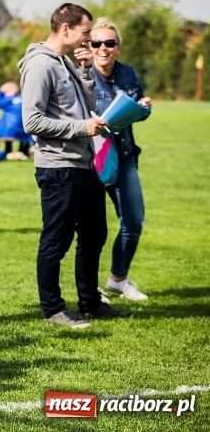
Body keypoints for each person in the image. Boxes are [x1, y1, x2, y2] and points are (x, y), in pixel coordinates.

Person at [19, 3, 130, 329]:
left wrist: (84, 72)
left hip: (83, 163)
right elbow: (32, 120)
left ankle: (90, 302)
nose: (89, 39)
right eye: (85, 32)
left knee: (95, 233)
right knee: (57, 238)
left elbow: (79, 106)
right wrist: (82, 128)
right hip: (59, 166)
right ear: (65, 29)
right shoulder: (40, 65)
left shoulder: (65, 62)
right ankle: (53, 309)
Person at [90, 17, 152, 301]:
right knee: (91, 228)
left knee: (134, 221)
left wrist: (143, 108)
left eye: (109, 43)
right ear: (89, 46)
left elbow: (137, 111)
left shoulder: (128, 73)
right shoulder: (82, 76)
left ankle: (118, 279)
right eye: (97, 42)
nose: (103, 48)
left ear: (118, 47)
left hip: (125, 156)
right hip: (93, 161)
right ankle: (90, 290)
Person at [0, 82, 33, 157]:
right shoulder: (23, 99)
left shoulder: (10, 100)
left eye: (5, 92)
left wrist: (0, 91)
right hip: (24, 131)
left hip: (9, 131)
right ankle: (23, 151)